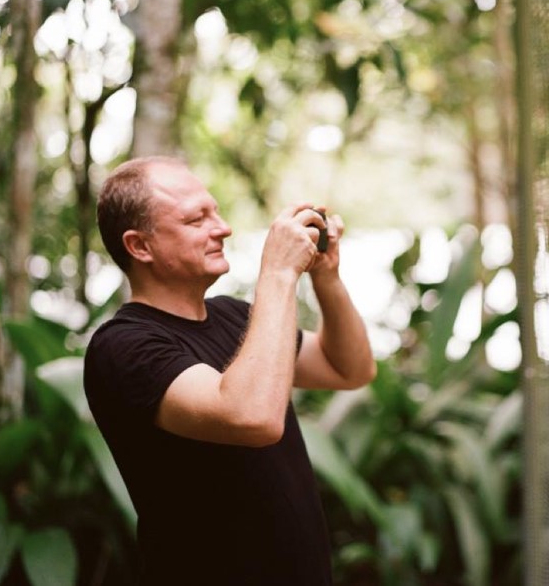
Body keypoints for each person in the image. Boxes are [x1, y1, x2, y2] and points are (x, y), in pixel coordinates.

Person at [83, 156, 376, 585]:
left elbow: (348, 369)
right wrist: (277, 273)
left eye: (215, 211)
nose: (221, 228)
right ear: (139, 246)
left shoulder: (237, 319)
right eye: (196, 219)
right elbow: (251, 416)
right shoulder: (123, 346)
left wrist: (326, 277)